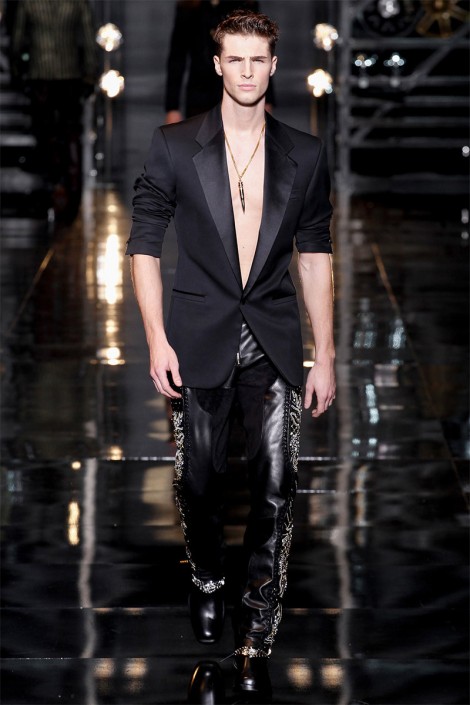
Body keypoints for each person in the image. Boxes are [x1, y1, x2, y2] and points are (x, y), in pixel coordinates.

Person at [127, 9, 335, 700]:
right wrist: (156, 338)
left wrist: (327, 353)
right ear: (217, 64)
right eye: (235, 59)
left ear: (274, 65)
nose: (247, 71)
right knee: (198, 481)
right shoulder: (174, 145)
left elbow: (315, 254)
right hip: (197, 335)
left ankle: (257, 628)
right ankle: (209, 575)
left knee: (276, 483)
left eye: (258, 60)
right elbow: (144, 245)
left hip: (273, 335)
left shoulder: (305, 153)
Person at [10, 0, 97, 222]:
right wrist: (89, 75)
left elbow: (18, 40)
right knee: (71, 134)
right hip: (69, 76)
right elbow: (88, 38)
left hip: (40, 76)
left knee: (45, 134)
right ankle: (71, 190)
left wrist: (17, 70)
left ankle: (52, 185)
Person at [165, 0, 274, 123]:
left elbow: (260, 50)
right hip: (199, 96)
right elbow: (177, 58)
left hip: (237, 91)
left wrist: (267, 99)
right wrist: (172, 108)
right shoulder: (189, 5)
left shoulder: (245, 4)